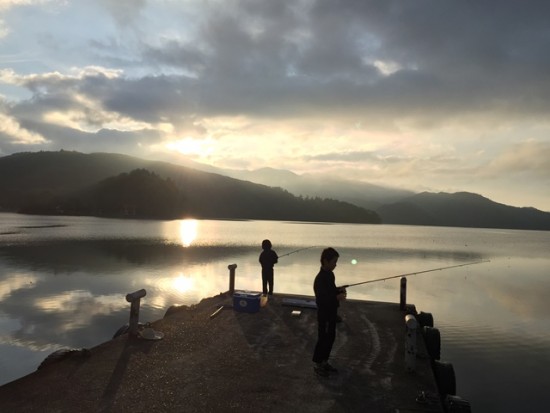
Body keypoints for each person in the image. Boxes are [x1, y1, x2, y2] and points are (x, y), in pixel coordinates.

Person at [312, 247, 346, 377]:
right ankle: (317, 363)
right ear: (325, 261)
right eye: (334, 262)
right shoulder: (319, 279)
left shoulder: (330, 275)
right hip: (324, 314)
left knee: (331, 338)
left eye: (336, 262)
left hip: (332, 313)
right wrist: (337, 297)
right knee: (323, 339)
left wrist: (339, 290)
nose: (335, 265)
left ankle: (325, 362)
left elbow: (330, 291)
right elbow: (321, 298)